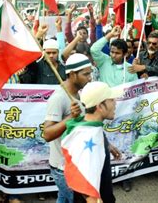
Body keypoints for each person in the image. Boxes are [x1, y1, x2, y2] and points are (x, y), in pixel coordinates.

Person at [43, 54, 93, 203]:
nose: (89, 78)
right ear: (72, 74)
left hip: (74, 164)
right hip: (63, 169)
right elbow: (47, 134)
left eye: (90, 73)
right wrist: (70, 117)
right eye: (86, 74)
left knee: (64, 199)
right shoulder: (59, 98)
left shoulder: (78, 93)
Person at [66, 81, 123, 203]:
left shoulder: (90, 127)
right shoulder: (87, 137)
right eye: (111, 100)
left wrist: (107, 145)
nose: (115, 103)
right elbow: (84, 185)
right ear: (100, 106)